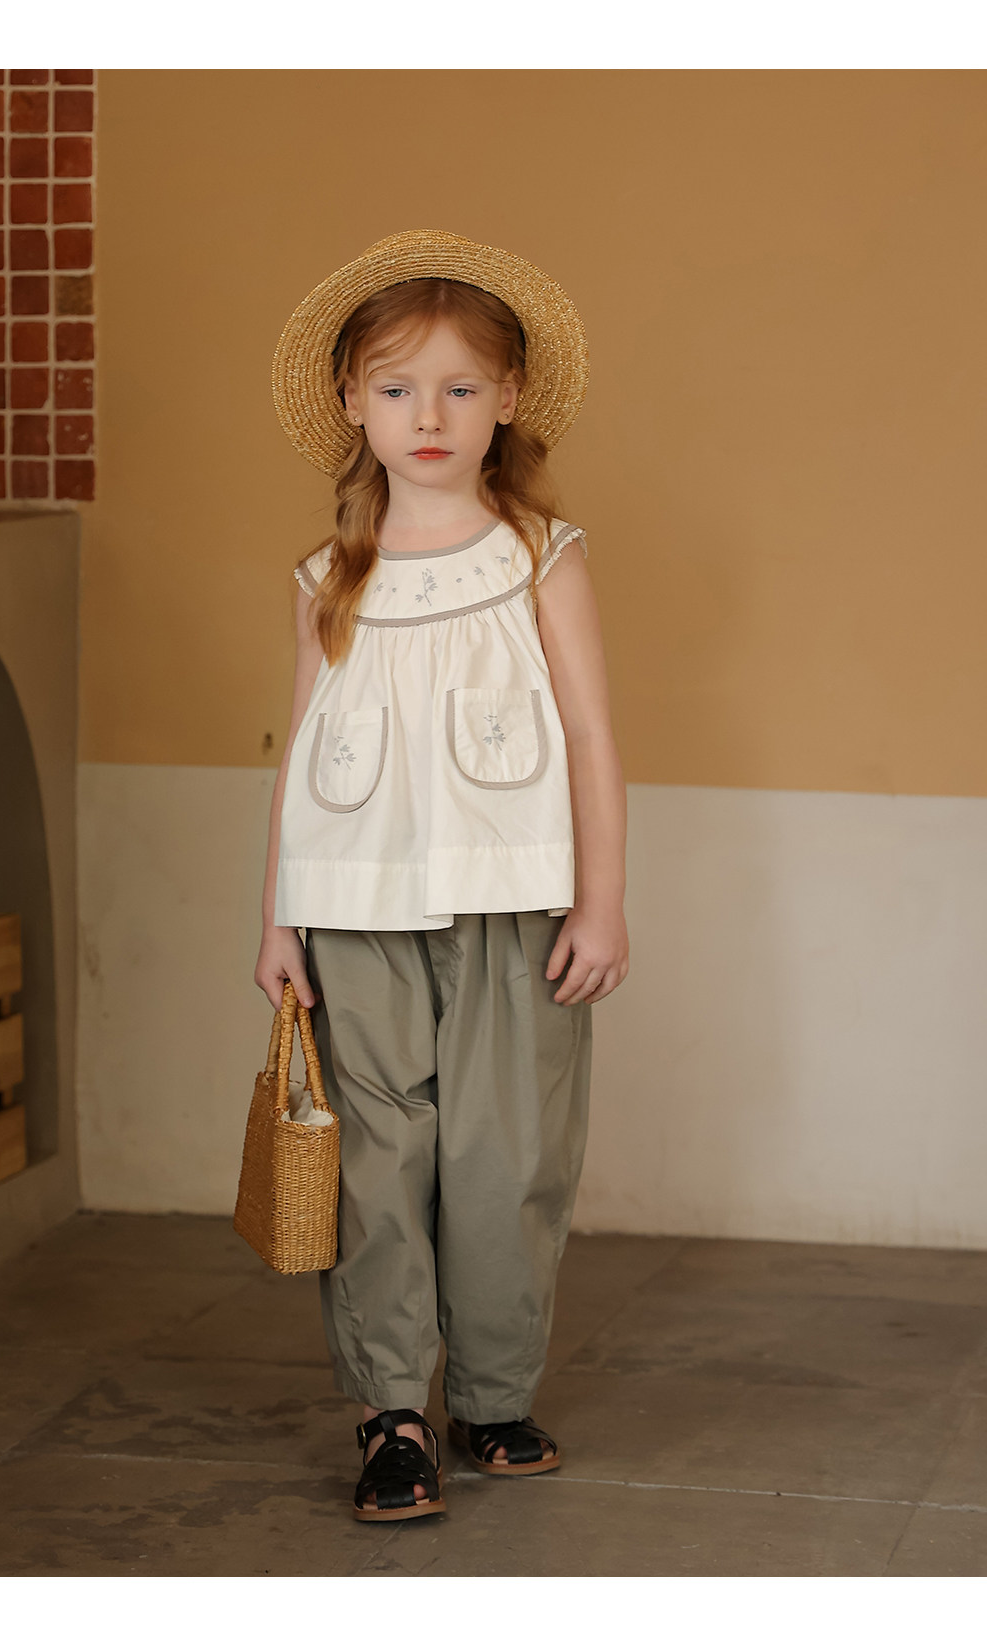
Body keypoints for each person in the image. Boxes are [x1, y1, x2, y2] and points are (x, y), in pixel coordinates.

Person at [254, 230, 628, 1522]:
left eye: (461, 387)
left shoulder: (541, 556)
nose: (429, 417)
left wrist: (602, 902)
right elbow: (300, 753)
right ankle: (391, 1414)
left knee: (503, 1152)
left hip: (516, 905)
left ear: (507, 400)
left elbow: (591, 735)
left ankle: (494, 1394)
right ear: (353, 402)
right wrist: (277, 920)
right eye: (399, 388)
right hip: (352, 912)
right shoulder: (328, 579)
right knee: (374, 1162)